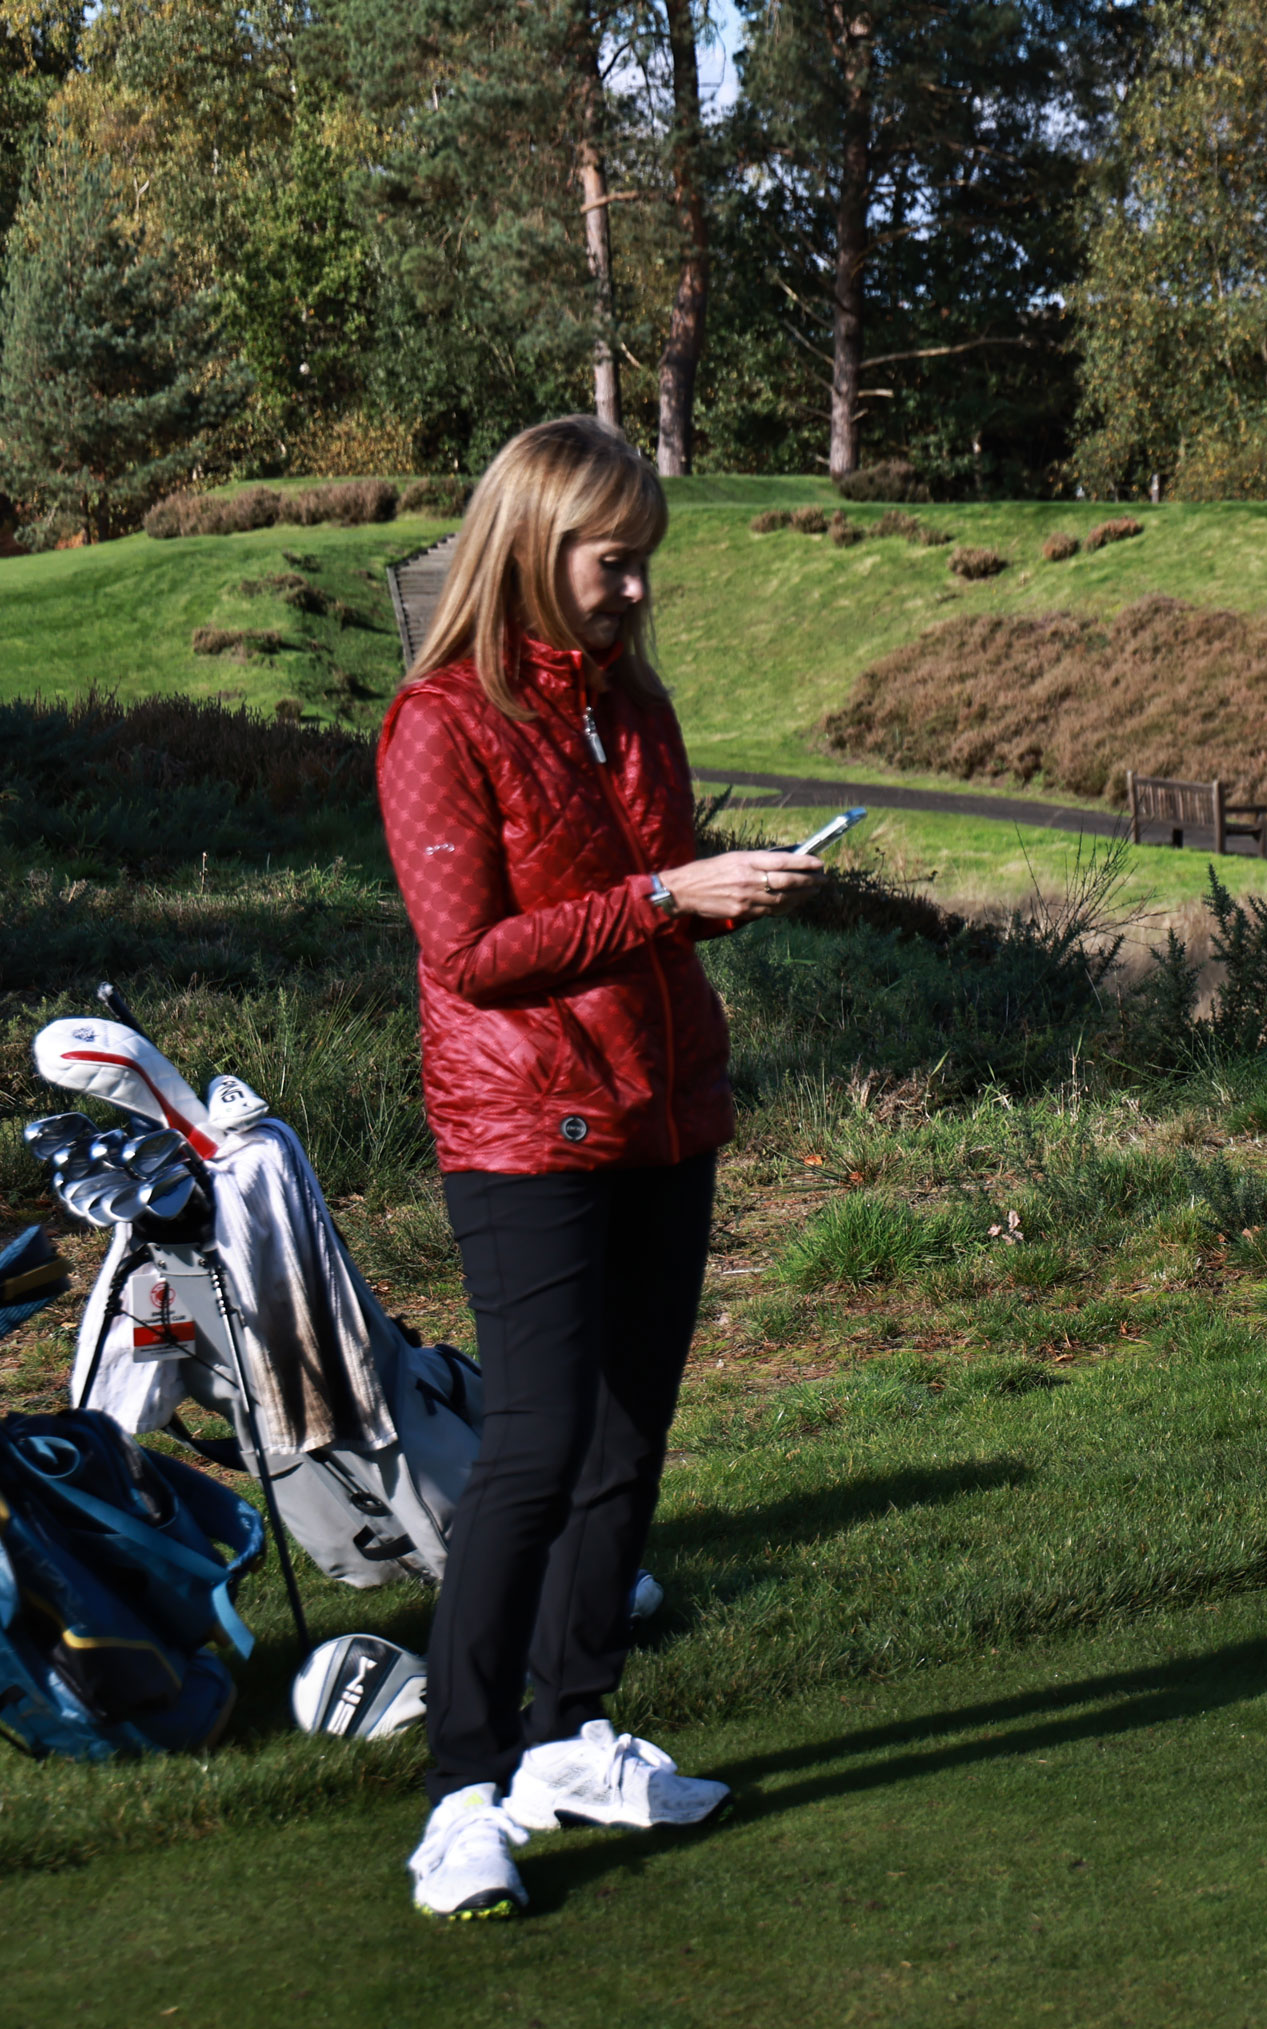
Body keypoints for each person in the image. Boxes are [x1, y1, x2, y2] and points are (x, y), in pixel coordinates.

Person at [375, 416, 827, 1920]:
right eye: (614, 564)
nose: (638, 593)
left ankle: (569, 1735)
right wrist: (661, 895)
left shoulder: (631, 705)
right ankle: (460, 1789)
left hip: (659, 1111)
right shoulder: (439, 721)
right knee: (535, 1445)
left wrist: (715, 900)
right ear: (531, 549)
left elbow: (645, 905)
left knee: (629, 1438)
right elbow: (475, 952)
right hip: (524, 1130)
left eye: (646, 566)